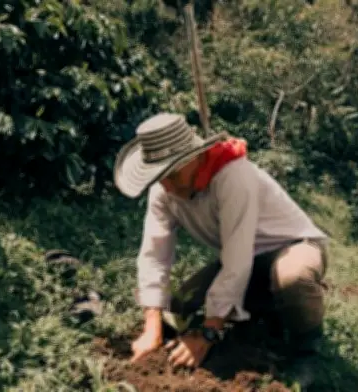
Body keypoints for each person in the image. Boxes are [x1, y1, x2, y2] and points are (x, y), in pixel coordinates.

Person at [113, 113, 329, 387]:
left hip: (294, 246)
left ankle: (306, 351)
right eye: (160, 177)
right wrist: (152, 327)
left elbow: (236, 259)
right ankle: (265, 307)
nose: (168, 185)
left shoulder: (233, 177)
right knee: (182, 302)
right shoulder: (163, 190)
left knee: (292, 278)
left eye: (174, 173)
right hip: (250, 258)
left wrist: (207, 334)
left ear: (194, 157)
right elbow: (154, 254)